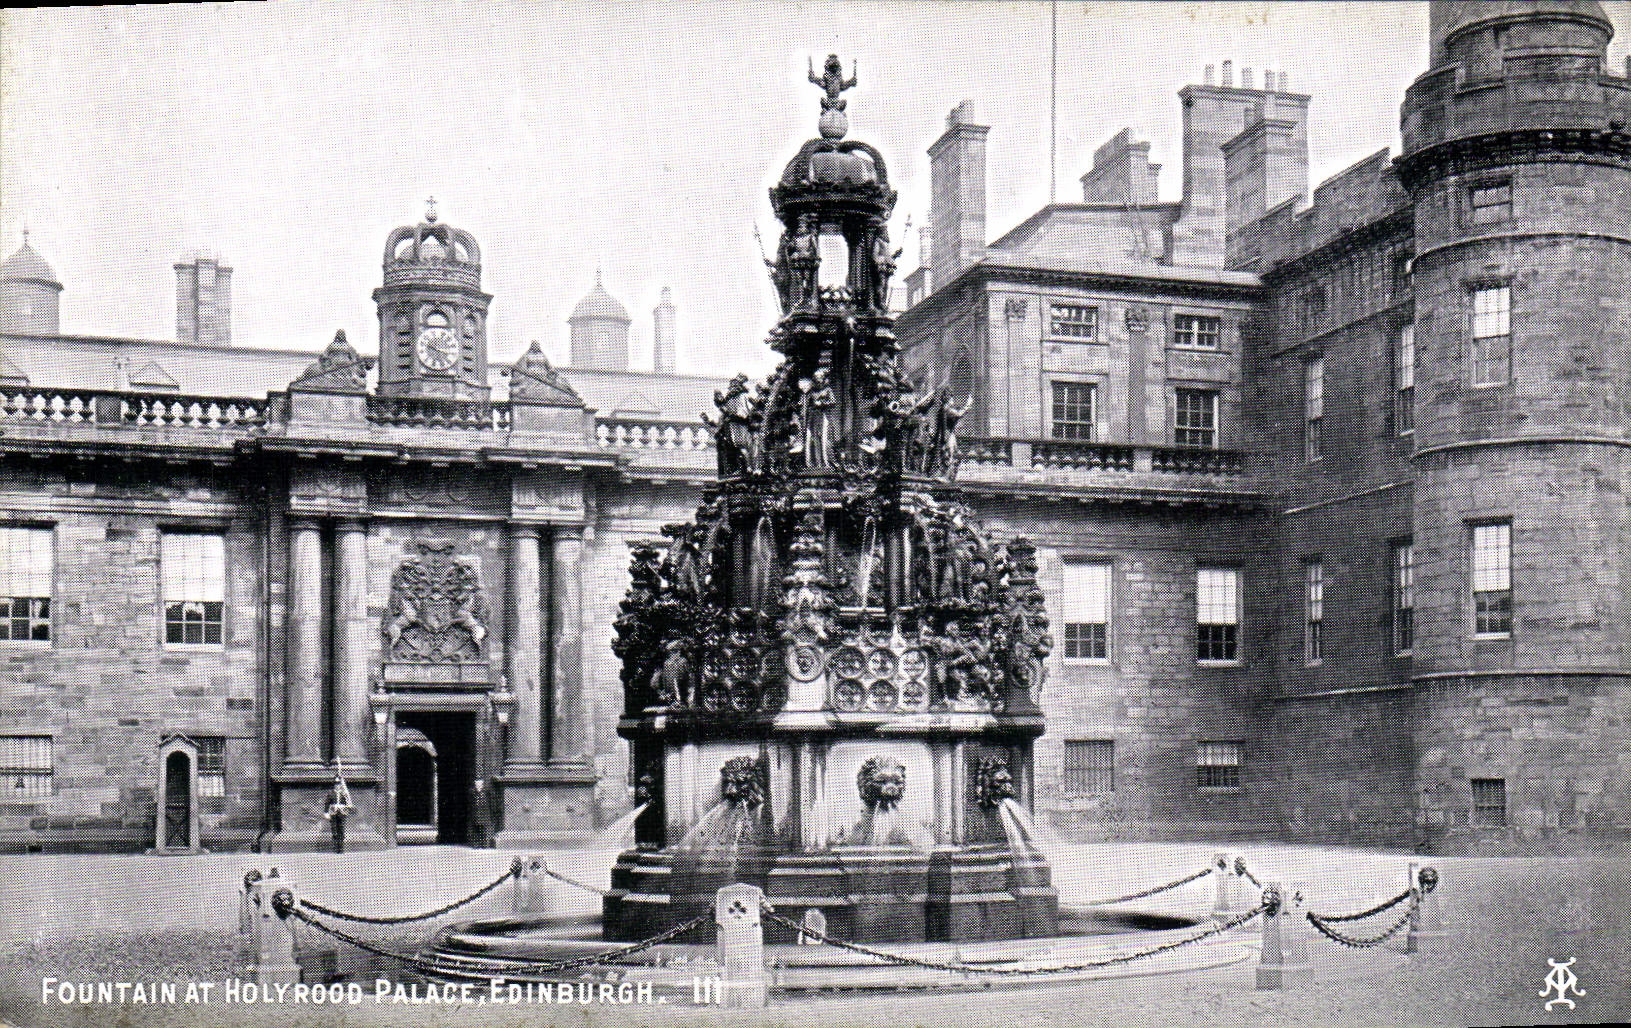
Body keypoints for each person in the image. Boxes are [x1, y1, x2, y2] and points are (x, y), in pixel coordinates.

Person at [323, 758, 354, 854]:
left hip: (342, 812)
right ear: (334, 785)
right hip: (333, 812)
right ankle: (335, 847)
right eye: (336, 784)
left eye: (339, 784)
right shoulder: (331, 793)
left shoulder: (343, 794)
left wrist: (347, 807)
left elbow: (347, 803)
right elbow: (327, 803)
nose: (337, 786)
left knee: (341, 830)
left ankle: (340, 848)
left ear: (341, 785)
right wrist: (326, 812)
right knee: (334, 830)